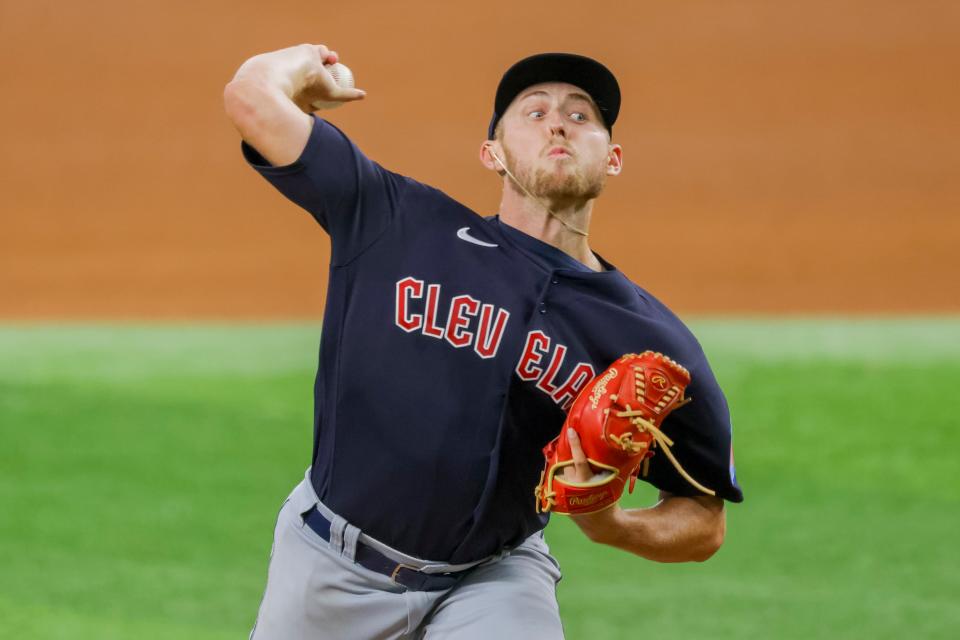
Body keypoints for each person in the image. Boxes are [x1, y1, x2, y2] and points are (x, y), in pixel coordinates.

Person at [223, 44, 743, 640]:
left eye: (581, 116)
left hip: (494, 579)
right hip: (330, 568)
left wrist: (614, 524)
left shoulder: (647, 339)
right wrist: (303, 65)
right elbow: (250, 98)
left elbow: (704, 520)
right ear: (491, 153)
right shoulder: (399, 222)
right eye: (533, 111)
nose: (558, 122)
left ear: (613, 158)